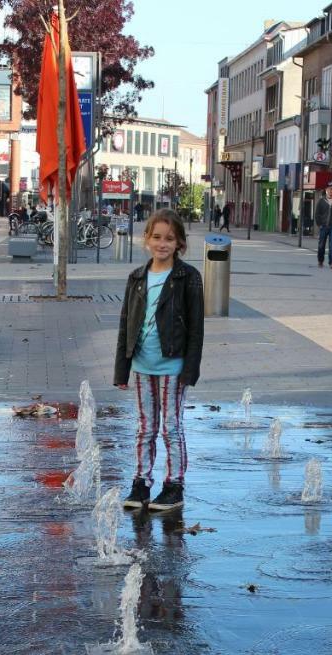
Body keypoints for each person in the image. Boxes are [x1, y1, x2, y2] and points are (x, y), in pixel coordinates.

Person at [114, 209, 205, 514]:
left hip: (173, 365)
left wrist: (190, 369)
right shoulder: (137, 277)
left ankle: (174, 485)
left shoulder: (187, 277)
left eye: (169, 238)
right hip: (142, 364)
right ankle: (140, 483)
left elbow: (196, 329)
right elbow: (126, 324)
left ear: (179, 243)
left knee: (171, 427)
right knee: (145, 427)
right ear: (147, 240)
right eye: (156, 237)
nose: (162, 244)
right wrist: (121, 370)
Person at [314, 186, 332, 269]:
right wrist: (319, 224)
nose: (331, 191)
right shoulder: (321, 201)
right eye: (330, 189)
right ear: (326, 190)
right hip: (323, 226)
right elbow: (317, 214)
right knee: (321, 245)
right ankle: (320, 261)